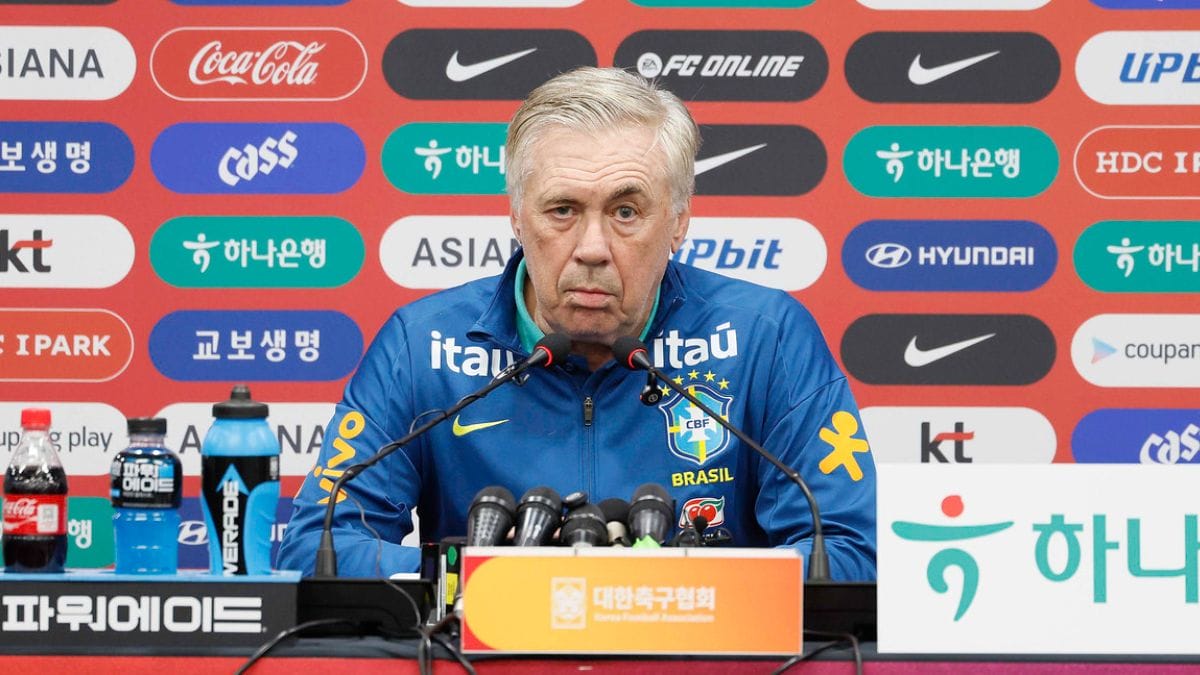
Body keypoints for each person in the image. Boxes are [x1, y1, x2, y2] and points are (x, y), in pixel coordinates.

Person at [278, 67, 876, 580]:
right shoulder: (423, 345)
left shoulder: (765, 336)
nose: (592, 247)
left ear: (678, 223)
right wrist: (480, 575)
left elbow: (851, 551)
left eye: (625, 211)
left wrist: (676, 587)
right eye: (563, 210)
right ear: (516, 217)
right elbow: (315, 547)